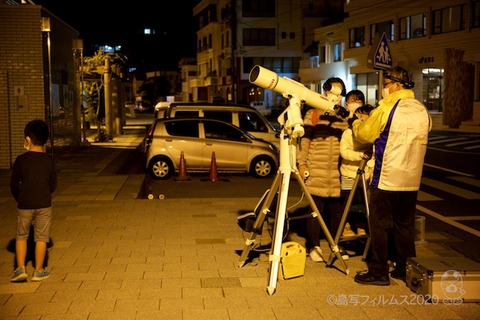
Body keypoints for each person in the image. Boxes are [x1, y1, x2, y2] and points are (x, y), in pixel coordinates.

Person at [349, 66, 432, 286]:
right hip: (412, 179)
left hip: (386, 177)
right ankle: (405, 268)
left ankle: (379, 271)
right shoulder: (422, 110)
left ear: (396, 84)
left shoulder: (387, 108)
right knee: (405, 225)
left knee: (379, 225)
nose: (384, 89)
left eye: (385, 84)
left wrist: (355, 122)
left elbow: (365, 133)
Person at [296, 77, 349, 262]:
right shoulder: (313, 113)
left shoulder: (345, 116)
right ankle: (313, 245)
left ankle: (336, 244)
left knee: (337, 211)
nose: (336, 96)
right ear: (324, 92)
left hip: (337, 170)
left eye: (339, 92)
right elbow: (303, 140)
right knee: (314, 211)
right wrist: (301, 164)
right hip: (315, 168)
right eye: (332, 92)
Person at [10, 119, 57, 282]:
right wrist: (44, 193)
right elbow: (53, 184)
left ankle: (20, 269)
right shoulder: (49, 160)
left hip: (25, 204)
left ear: (28, 139)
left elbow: (14, 184)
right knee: (41, 237)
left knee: (22, 235)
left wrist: (20, 198)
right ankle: (38, 270)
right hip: (44, 203)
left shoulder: (21, 160)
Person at [339, 101, 375, 238]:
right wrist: (360, 155)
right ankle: (346, 226)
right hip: (349, 173)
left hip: (365, 174)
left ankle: (360, 225)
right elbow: (344, 152)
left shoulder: (371, 134)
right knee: (348, 202)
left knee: (361, 203)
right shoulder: (348, 132)